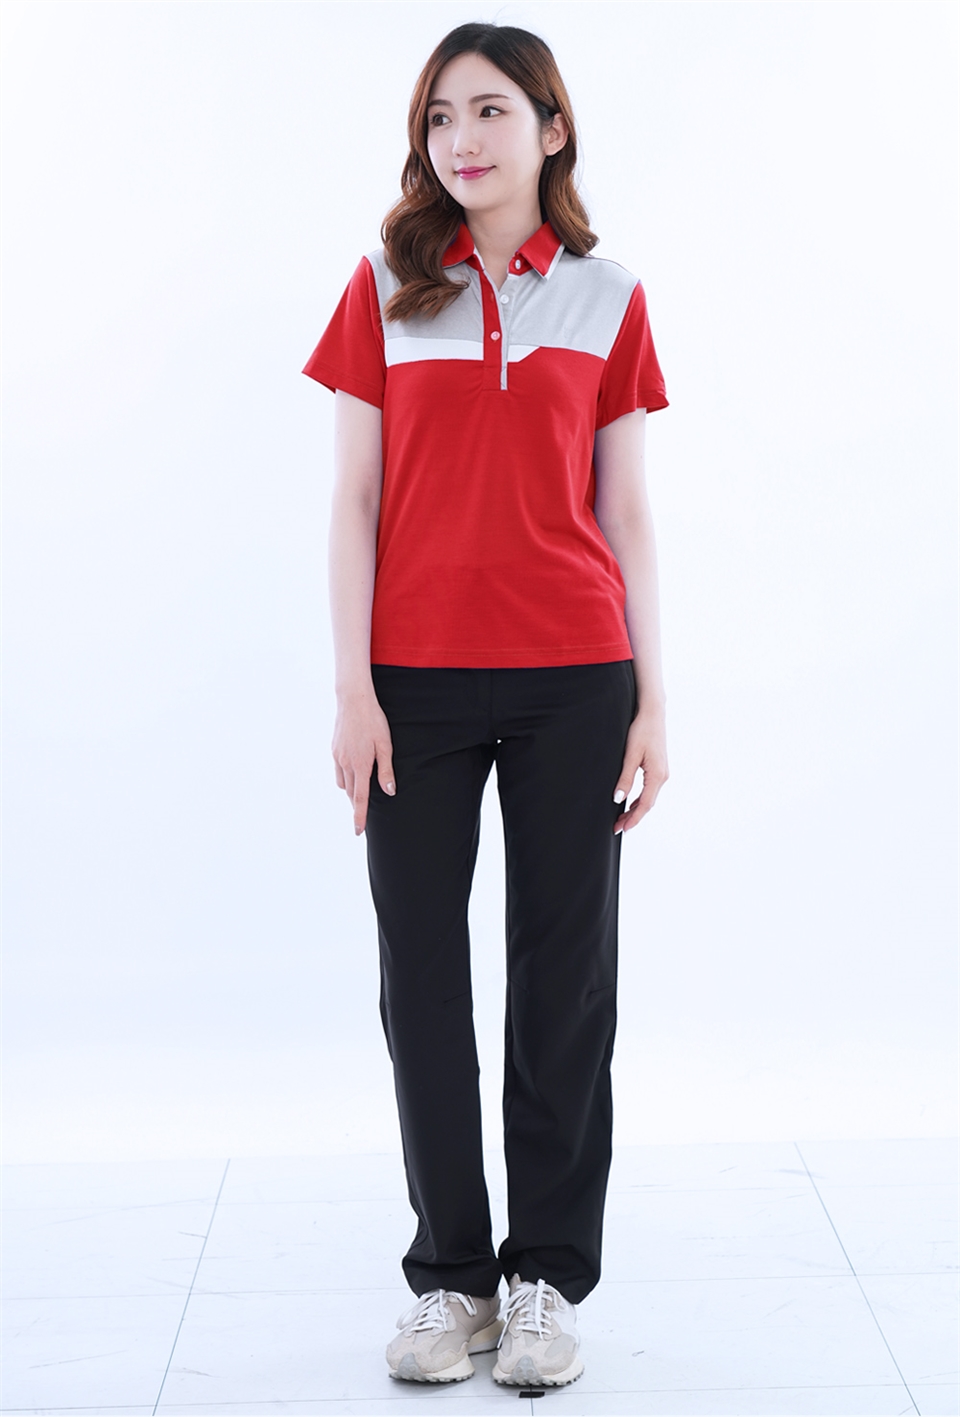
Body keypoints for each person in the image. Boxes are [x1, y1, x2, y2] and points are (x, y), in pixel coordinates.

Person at [303, 20, 669, 1389]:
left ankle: (543, 1279)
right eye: (441, 117)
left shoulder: (608, 295)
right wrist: (354, 689)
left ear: (552, 128)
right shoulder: (385, 287)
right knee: (423, 974)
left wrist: (653, 699)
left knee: (564, 981)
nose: (463, 139)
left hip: (577, 675)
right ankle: (450, 1276)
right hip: (415, 682)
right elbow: (352, 502)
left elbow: (626, 511)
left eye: (492, 111)